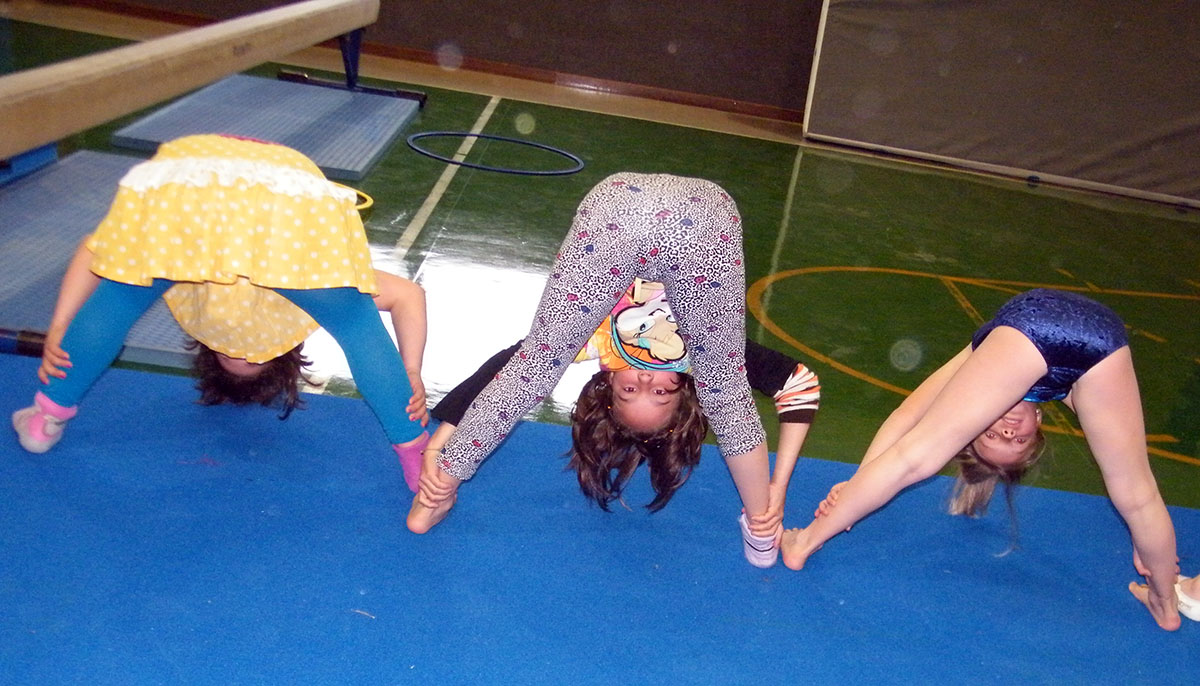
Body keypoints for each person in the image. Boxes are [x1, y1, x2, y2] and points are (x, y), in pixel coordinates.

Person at [409, 172, 814, 566]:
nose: (645, 379)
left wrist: (443, 456)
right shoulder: (698, 357)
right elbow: (800, 385)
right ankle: (760, 528)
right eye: (660, 393)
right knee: (725, 395)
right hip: (704, 222)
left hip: (616, 209)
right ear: (683, 391)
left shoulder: (599, 341)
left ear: (609, 382)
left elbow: (510, 372)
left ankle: (434, 500)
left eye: (629, 391)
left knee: (537, 363)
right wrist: (773, 491)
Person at [11, 134, 431, 490]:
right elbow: (408, 295)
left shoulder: (195, 278)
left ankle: (45, 419)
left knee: (123, 292)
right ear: (285, 351)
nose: (243, 346)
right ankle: (415, 455)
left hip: (194, 172)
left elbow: (97, 252)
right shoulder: (299, 288)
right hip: (284, 192)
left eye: (230, 354)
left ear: (206, 346)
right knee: (355, 321)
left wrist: (60, 325)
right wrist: (410, 370)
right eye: (255, 356)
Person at [782, 288, 1182, 630]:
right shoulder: (1074, 392)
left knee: (919, 455)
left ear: (973, 422)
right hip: (1103, 343)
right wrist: (1149, 546)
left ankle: (805, 541)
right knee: (1136, 494)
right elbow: (1139, 500)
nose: (1008, 430)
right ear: (1039, 423)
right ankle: (1166, 603)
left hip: (1032, 328)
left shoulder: (983, 358)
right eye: (1018, 439)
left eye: (992, 435)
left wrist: (857, 484)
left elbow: (907, 417)